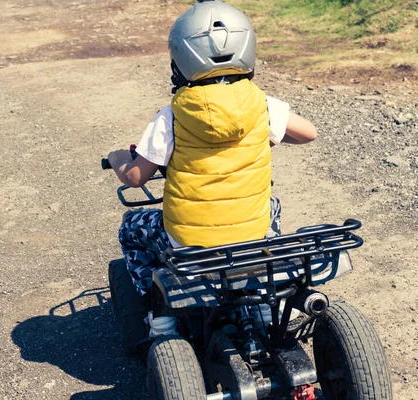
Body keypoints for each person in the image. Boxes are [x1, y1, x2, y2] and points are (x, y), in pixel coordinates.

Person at [107, 0, 317, 295]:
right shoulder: (261, 104)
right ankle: (259, 273)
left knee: (131, 227)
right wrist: (268, 136)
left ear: (180, 59)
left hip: (188, 243)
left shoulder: (172, 114)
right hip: (250, 235)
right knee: (273, 204)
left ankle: (157, 311)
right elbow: (308, 133)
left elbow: (135, 178)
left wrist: (118, 159)